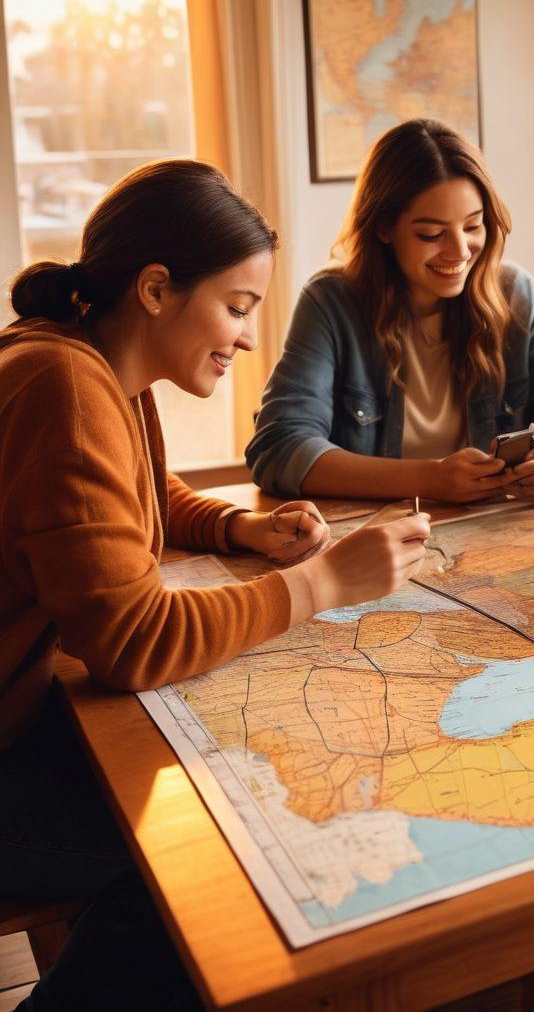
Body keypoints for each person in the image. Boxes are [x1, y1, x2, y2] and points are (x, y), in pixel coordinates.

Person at [0, 159, 430, 1011]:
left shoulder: (82, 361)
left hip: (19, 712)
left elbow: (139, 494)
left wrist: (238, 526)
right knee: (208, 867)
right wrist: (320, 583)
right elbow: (132, 643)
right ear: (157, 288)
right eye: (237, 308)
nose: (244, 337)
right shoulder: (66, 387)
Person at [246, 118, 534, 503]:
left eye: (473, 226)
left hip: (494, 532)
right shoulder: (331, 302)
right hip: (378, 539)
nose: (459, 251)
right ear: (384, 227)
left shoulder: (515, 294)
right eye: (431, 234)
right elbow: (278, 448)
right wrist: (430, 479)